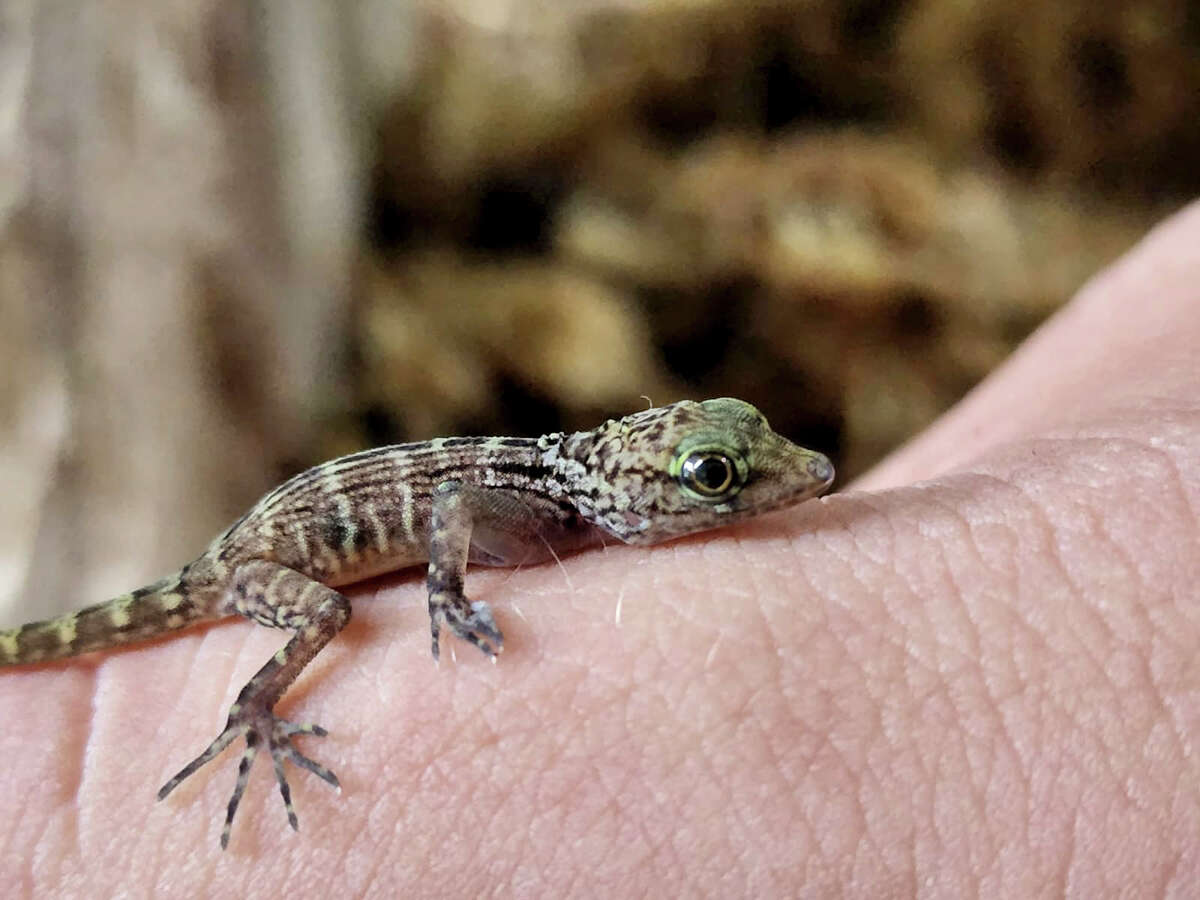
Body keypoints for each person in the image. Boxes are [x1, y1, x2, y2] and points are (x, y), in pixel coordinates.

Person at [3, 201, 1198, 896]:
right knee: (324, 620)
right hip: (263, 564)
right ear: (645, 487)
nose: (788, 480)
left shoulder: (578, 495)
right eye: (726, 481)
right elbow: (452, 511)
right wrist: (443, 600)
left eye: (735, 461)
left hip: (297, 522)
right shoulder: (541, 506)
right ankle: (248, 717)